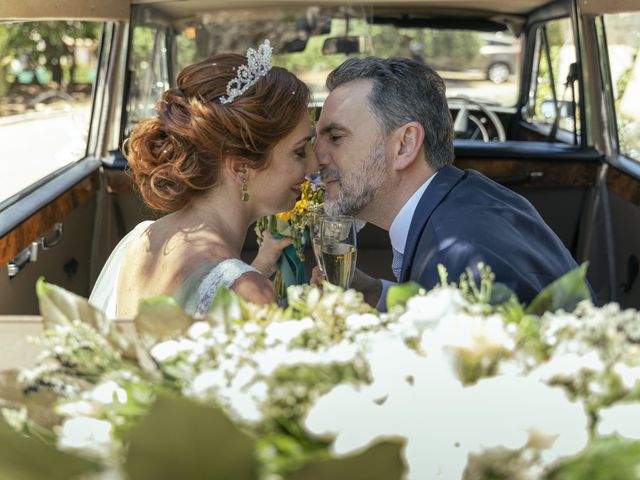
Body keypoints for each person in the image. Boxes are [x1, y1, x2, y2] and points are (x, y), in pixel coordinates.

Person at [314, 56, 585, 309]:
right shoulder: (470, 197)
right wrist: (373, 292)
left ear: (405, 145)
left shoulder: (459, 262)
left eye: (336, 138)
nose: (317, 158)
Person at [90, 40, 317, 317]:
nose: (314, 164)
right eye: (299, 151)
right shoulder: (248, 294)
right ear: (241, 166)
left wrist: (261, 265)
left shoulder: (140, 240)